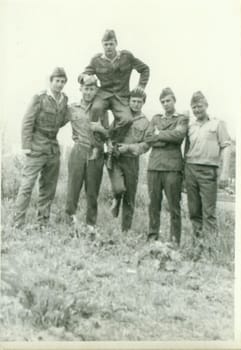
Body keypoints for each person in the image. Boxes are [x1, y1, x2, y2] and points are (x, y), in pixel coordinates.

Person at [80, 29, 150, 159]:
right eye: (106, 44)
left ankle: (110, 141)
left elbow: (144, 69)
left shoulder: (126, 57)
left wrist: (141, 86)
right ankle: (96, 146)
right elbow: (83, 74)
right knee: (95, 109)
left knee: (127, 119)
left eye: (111, 44)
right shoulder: (96, 60)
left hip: (121, 96)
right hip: (104, 94)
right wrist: (84, 78)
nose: (108, 47)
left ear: (116, 43)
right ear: (102, 45)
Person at [14, 67, 69, 228]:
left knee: (48, 187)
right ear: (50, 81)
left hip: (52, 148)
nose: (59, 84)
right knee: (27, 185)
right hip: (36, 147)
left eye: (62, 81)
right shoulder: (39, 98)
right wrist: (26, 146)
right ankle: (18, 223)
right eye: (57, 81)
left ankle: (42, 223)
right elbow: (27, 121)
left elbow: (62, 119)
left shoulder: (64, 100)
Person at [184, 91, 231, 249]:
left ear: (206, 105)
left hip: (208, 170)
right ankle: (197, 247)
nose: (197, 110)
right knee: (194, 210)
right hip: (190, 169)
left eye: (199, 106)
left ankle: (210, 249)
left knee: (208, 212)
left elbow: (226, 147)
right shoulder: (190, 125)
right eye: (194, 107)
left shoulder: (217, 124)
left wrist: (225, 172)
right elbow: (186, 149)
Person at [144, 87, 189, 246]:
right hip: (154, 167)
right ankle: (152, 237)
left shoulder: (181, 119)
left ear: (174, 100)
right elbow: (148, 138)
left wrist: (159, 134)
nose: (165, 104)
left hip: (172, 168)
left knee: (174, 206)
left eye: (168, 100)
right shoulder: (155, 119)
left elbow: (178, 136)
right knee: (153, 204)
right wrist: (163, 136)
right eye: (162, 102)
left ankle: (174, 241)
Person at [65, 75, 108, 234]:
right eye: (86, 89)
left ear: (96, 90)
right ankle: (70, 221)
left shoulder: (101, 110)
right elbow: (58, 120)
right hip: (78, 150)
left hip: (95, 152)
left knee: (92, 191)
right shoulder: (72, 108)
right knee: (73, 188)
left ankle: (91, 224)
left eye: (91, 89)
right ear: (80, 89)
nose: (88, 92)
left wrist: (101, 129)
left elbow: (108, 133)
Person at [108, 88, 150, 232]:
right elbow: (110, 133)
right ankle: (116, 198)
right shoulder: (120, 116)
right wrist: (111, 146)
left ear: (143, 103)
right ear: (129, 101)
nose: (136, 104)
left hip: (132, 161)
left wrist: (129, 147)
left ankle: (125, 231)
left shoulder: (145, 122)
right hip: (116, 158)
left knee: (130, 198)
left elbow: (146, 144)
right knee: (119, 188)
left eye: (139, 102)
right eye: (134, 101)